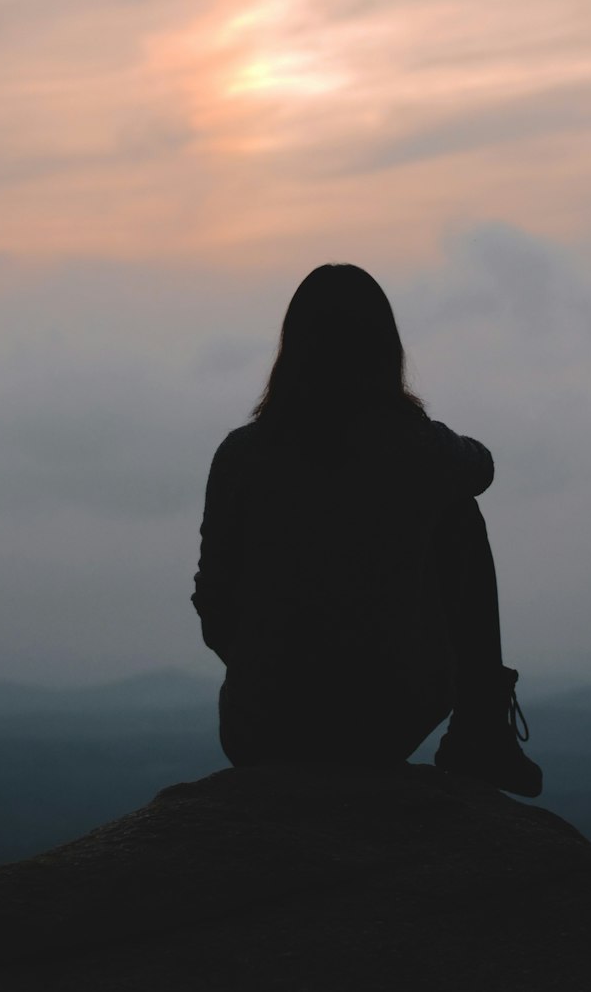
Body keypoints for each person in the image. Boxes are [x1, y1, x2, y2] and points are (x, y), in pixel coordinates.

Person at [191, 263, 542, 796]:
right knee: (459, 513)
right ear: (385, 350)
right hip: (380, 721)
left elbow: (212, 604)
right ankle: (481, 731)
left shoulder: (239, 455)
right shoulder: (416, 450)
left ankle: (472, 728)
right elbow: (482, 468)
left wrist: (270, 663)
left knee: (450, 503)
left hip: (258, 725)